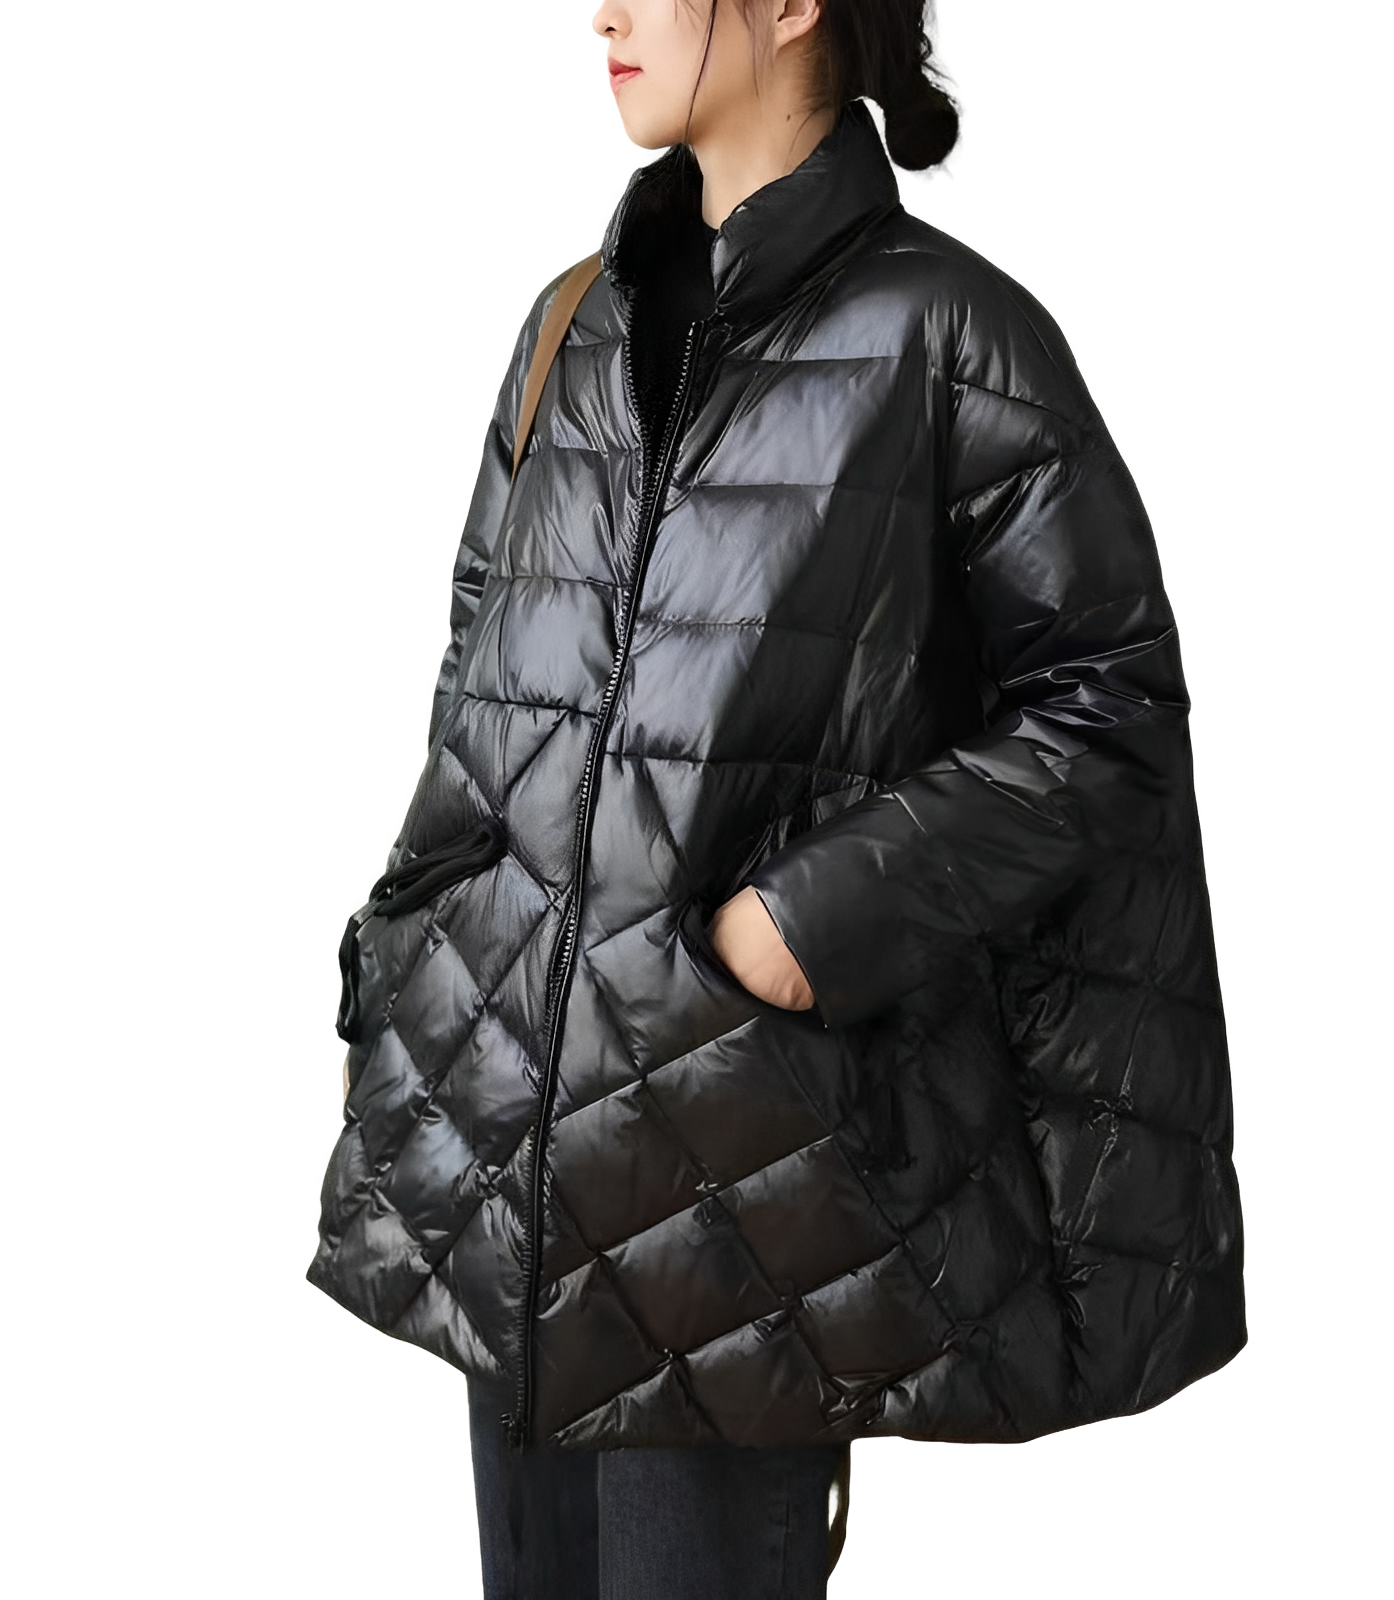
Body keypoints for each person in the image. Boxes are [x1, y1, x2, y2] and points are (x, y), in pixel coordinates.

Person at [307, 1, 1248, 1595]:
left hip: (734, 1200)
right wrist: (411, 965)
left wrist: (807, 923)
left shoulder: (952, 340)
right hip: (514, 1179)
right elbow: (481, 698)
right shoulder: (569, 327)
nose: (602, 11)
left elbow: (1109, 711)